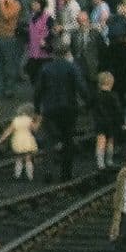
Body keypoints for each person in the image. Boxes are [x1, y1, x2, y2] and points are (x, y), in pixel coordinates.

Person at [33, 38, 85, 180]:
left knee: (49, 141)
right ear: (67, 53)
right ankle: (66, 173)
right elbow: (81, 87)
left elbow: (38, 91)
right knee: (68, 140)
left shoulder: (45, 68)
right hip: (69, 108)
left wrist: (37, 109)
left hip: (50, 108)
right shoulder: (72, 67)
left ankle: (48, 172)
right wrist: (88, 102)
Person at [94, 70, 125, 172]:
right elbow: (118, 110)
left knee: (100, 141)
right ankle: (109, 161)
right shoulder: (114, 96)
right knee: (110, 140)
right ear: (111, 83)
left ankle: (100, 163)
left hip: (99, 121)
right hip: (111, 121)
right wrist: (121, 122)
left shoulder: (97, 96)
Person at [3, 103, 39, 181]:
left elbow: (9, 131)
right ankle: (30, 176)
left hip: (18, 141)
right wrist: (38, 121)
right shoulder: (29, 120)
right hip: (28, 140)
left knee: (18, 159)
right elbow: (35, 129)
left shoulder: (15, 120)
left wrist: (1, 139)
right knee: (28, 159)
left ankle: (17, 175)